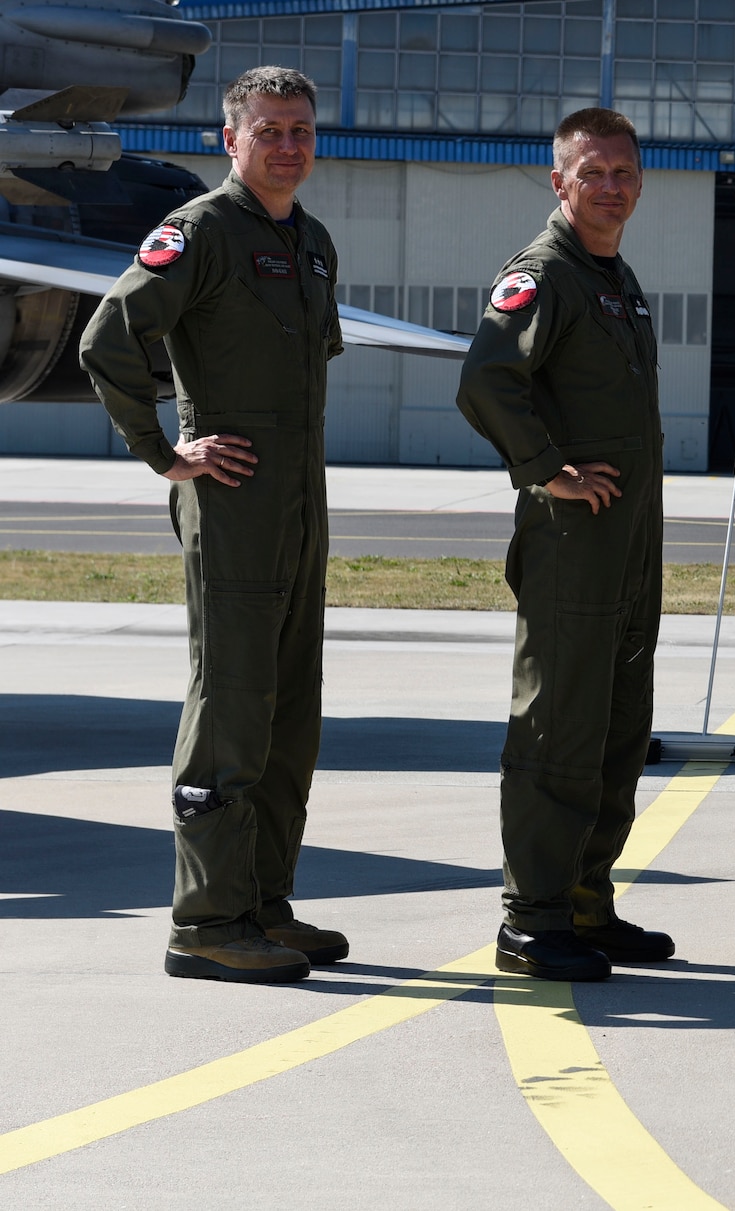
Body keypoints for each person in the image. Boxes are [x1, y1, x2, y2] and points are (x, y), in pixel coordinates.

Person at [79, 67, 347, 984]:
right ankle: (206, 920)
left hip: (298, 503)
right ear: (229, 141)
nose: (287, 144)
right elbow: (110, 334)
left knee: (288, 713)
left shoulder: (309, 243)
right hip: (232, 502)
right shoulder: (200, 231)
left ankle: (263, 902)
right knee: (231, 705)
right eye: (269, 128)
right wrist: (165, 451)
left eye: (302, 129)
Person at [455, 108, 674, 982]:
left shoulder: (614, 278)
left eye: (623, 171)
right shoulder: (544, 274)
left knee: (618, 726)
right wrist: (547, 470)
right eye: (594, 172)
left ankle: (586, 900)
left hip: (626, 545)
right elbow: (485, 379)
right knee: (557, 728)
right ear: (560, 182)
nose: (611, 186)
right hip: (572, 544)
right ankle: (533, 916)